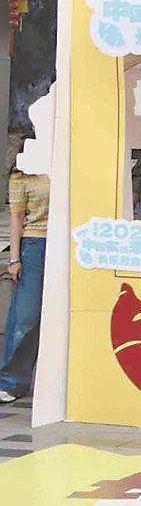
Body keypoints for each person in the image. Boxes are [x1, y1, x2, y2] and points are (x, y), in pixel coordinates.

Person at [0, 153, 49, 404]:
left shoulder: (65, 167)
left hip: (69, 241)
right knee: (25, 315)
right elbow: (17, 217)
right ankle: (11, 380)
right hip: (35, 243)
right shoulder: (21, 175)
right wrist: (14, 259)